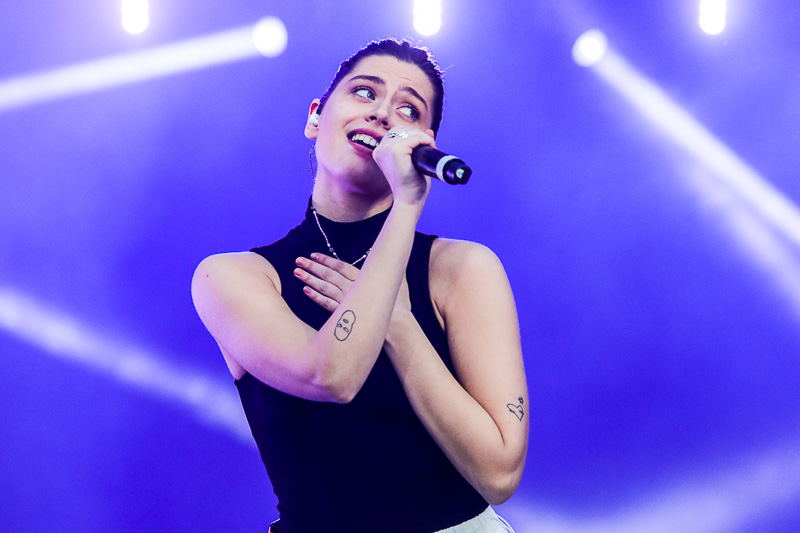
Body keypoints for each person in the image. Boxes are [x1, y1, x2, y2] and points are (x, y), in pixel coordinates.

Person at [191, 38, 528, 533]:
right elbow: (331, 376)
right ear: (316, 116)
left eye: (408, 109)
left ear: (424, 143)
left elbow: (499, 474)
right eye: (365, 92)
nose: (382, 113)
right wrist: (404, 216)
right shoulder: (234, 277)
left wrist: (400, 327)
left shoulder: (461, 269)